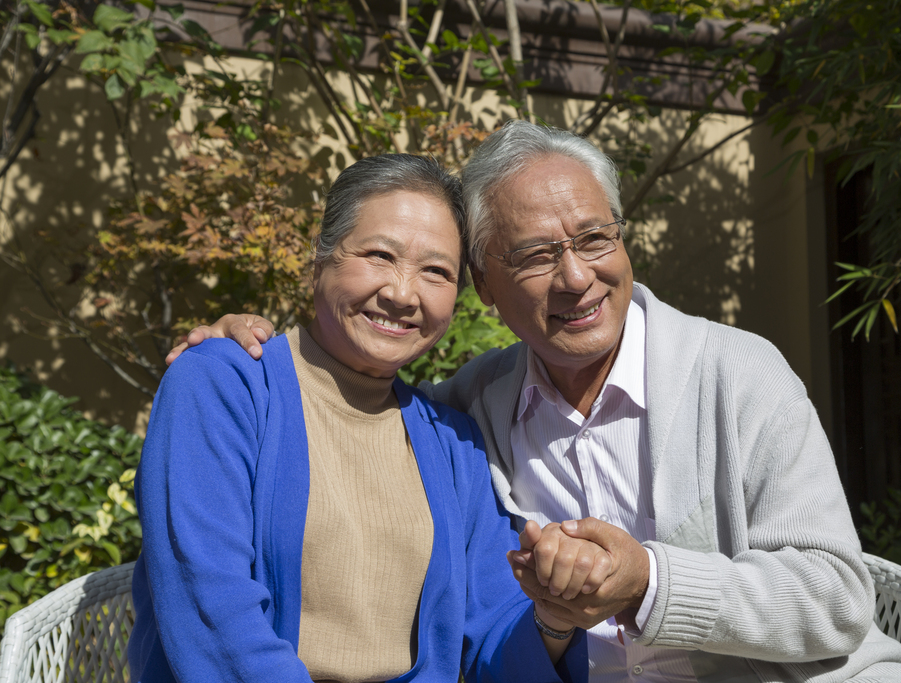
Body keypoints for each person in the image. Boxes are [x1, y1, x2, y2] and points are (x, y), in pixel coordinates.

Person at [170, 122, 901, 683]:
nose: (575, 277)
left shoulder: (736, 373)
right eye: (535, 255)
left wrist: (640, 586)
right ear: (490, 290)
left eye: (595, 238)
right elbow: (219, 591)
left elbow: (835, 598)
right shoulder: (459, 413)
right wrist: (227, 346)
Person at [127, 153, 594, 683]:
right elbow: (213, 616)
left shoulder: (452, 442)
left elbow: (494, 642)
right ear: (319, 258)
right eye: (378, 255)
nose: (401, 292)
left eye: (436, 272)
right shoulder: (221, 386)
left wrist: (553, 619)